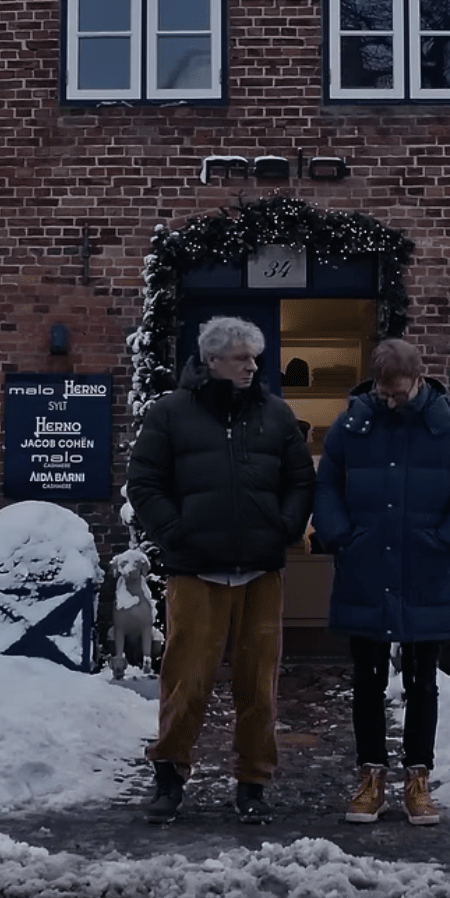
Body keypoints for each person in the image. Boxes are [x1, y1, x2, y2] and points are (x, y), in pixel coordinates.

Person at [125, 316, 316, 825]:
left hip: (260, 571)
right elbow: (143, 482)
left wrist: (285, 525)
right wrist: (178, 532)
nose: (252, 365)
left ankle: (253, 783)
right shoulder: (171, 414)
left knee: (258, 685)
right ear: (213, 362)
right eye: (241, 357)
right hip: (195, 572)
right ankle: (169, 778)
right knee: (186, 682)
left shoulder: (276, 416)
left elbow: (301, 480)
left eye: (254, 356)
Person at [312, 338, 450, 826]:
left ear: (418, 378)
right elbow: (326, 484)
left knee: (422, 682)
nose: (391, 400)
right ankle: (370, 775)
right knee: (367, 681)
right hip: (367, 566)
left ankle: (418, 777)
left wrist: (446, 544)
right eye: (384, 391)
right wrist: (339, 537)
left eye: (399, 391)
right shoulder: (352, 426)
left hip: (426, 570)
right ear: (375, 382)